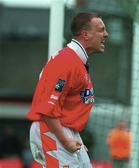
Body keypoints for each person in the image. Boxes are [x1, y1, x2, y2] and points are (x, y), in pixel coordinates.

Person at [27, 12, 108, 168]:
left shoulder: (75, 60)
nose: (106, 34)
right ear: (85, 34)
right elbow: (48, 109)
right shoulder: (66, 61)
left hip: (64, 130)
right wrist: (65, 141)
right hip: (51, 130)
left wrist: (71, 137)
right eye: (101, 30)